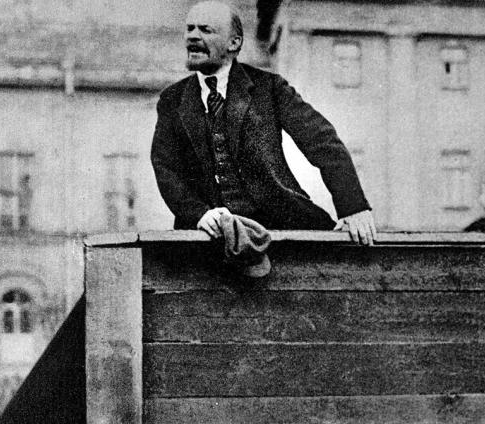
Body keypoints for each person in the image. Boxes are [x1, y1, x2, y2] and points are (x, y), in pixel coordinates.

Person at [151, 1, 376, 245]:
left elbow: (323, 141)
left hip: (279, 226)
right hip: (209, 234)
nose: (193, 36)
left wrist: (353, 207)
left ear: (234, 43)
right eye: (190, 29)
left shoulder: (269, 88)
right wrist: (199, 214)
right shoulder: (172, 100)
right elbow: (166, 167)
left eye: (206, 30)